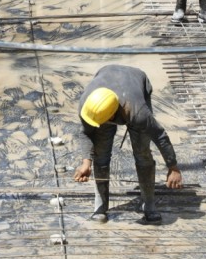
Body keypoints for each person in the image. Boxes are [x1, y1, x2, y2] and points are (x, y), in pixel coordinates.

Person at [73, 64, 183, 224]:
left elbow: (159, 135)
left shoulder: (138, 112)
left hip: (134, 88)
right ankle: (101, 207)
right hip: (107, 77)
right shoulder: (88, 105)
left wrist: (173, 168)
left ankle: (149, 206)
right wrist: (86, 163)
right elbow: (85, 132)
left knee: (142, 153)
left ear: (113, 117)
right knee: (101, 155)